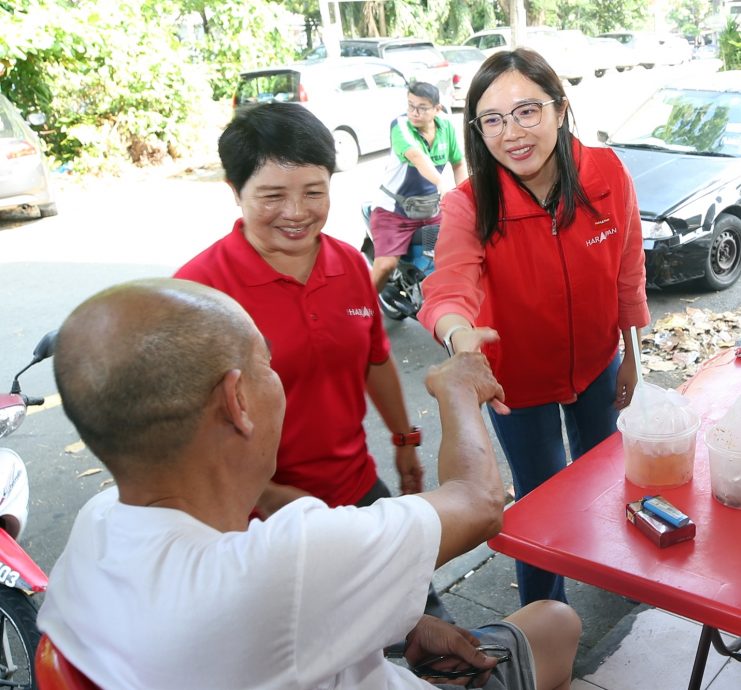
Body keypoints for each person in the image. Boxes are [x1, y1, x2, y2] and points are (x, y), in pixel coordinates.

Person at [38, 277, 581, 690]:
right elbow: (481, 502)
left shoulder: (101, 522)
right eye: (267, 366)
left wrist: (398, 615)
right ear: (238, 402)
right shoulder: (283, 565)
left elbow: (279, 537)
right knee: (556, 621)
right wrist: (458, 388)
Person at [174, 101, 454, 620]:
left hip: (358, 494)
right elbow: (180, 435)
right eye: (273, 195)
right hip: (261, 525)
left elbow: (375, 359)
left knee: (429, 631)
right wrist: (264, 494)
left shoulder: (348, 262)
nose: (297, 212)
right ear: (235, 192)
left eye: (313, 191)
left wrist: (404, 441)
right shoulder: (198, 292)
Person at [418, 48, 650, 606]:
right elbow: (448, 283)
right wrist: (457, 335)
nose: (512, 133)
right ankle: (545, 617)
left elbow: (628, 271)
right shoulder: (469, 203)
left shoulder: (606, 174)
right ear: (476, 128)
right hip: (515, 386)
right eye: (492, 119)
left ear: (560, 108)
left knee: (605, 480)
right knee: (542, 501)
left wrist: (633, 357)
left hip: (599, 368)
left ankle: (616, 576)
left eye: (527, 111)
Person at [369, 81, 467, 293]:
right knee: (386, 265)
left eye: (421, 107)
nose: (414, 112)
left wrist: (466, 196)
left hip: (430, 213)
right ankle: (361, 312)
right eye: (410, 105)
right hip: (393, 214)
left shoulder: (446, 127)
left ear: (436, 109)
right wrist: (442, 183)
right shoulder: (401, 125)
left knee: (450, 255)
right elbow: (416, 156)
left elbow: (458, 162)